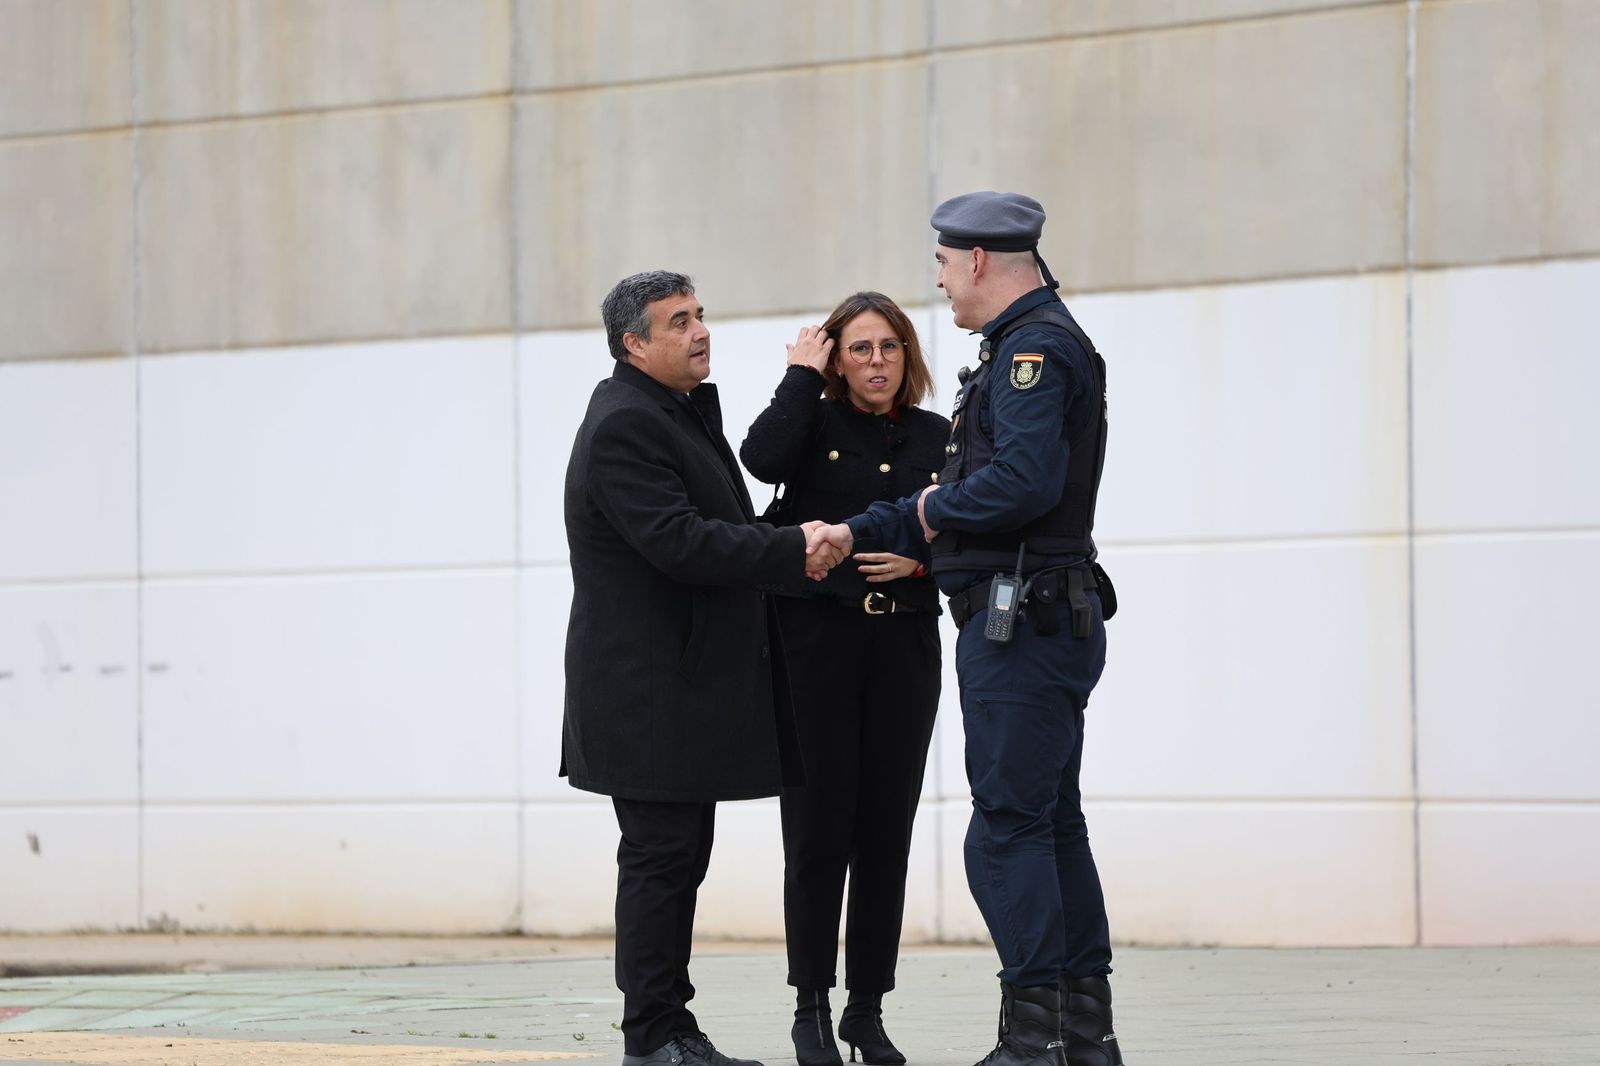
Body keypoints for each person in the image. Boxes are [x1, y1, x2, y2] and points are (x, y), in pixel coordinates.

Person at [805, 193, 1124, 1066]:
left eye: (944, 265)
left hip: (1022, 622)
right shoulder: (1033, 344)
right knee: (1051, 823)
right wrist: (864, 530)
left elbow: (1019, 482)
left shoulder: (1032, 351)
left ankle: (1034, 1043)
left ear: (978, 260)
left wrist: (926, 509)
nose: (941, 284)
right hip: (1043, 612)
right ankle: (1082, 1039)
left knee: (1008, 828)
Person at [562, 270, 848, 1066]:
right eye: (678, 321)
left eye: (700, 314)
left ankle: (671, 1029)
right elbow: (683, 543)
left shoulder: (671, 412)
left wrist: (801, 542)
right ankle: (653, 1039)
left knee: (679, 861)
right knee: (660, 863)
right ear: (634, 343)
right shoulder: (626, 425)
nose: (699, 331)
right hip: (645, 696)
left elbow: (723, 526)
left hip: (677, 693)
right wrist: (794, 548)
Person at [739, 293, 951, 1066]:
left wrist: (923, 561)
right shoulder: (814, 423)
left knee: (884, 831)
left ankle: (866, 1009)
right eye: (858, 348)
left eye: (889, 347)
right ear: (837, 357)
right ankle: (811, 1009)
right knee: (818, 830)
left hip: (902, 645)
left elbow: (977, 526)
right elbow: (758, 461)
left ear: (908, 355)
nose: (876, 363)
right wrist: (801, 375)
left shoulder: (939, 435)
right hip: (816, 645)